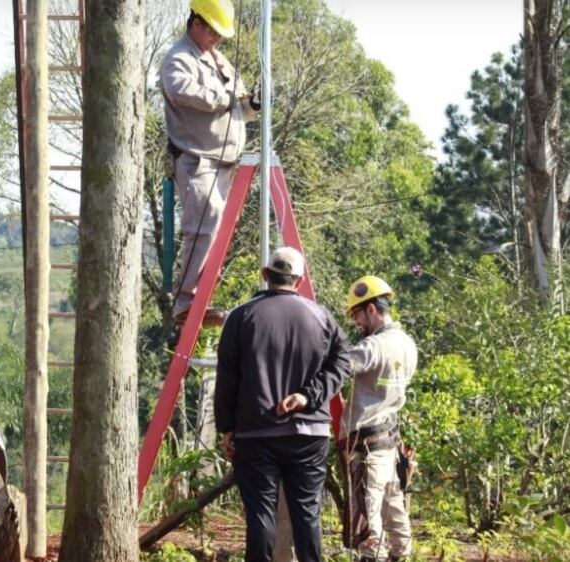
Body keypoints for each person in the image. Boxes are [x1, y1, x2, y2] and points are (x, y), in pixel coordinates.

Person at [214, 247, 350, 562]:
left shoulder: (240, 316)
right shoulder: (322, 316)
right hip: (310, 433)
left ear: (265, 275)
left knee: (261, 515)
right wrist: (309, 395)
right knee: (307, 515)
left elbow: (227, 378)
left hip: (256, 434)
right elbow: (343, 362)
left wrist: (227, 429)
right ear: (299, 280)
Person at [160, 0, 260, 324]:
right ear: (197, 23)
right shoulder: (179, 58)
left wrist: (253, 105)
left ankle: (201, 299)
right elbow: (182, 92)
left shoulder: (220, 62)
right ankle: (185, 304)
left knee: (216, 231)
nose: (217, 39)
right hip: (197, 160)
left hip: (224, 163)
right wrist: (227, 98)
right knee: (204, 224)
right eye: (214, 32)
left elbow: (239, 107)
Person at [340, 276, 418, 562]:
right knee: (393, 505)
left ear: (371, 309)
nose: (356, 323)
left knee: (367, 513)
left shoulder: (373, 346)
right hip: (389, 440)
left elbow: (339, 368)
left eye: (357, 315)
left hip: (367, 444)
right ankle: (403, 555)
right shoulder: (408, 344)